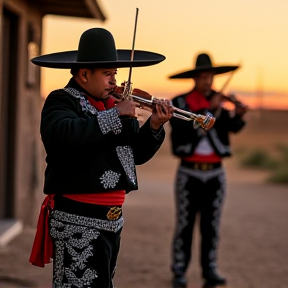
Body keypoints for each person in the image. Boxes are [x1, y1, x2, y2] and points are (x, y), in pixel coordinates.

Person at [29, 27, 173, 288]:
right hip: (76, 218)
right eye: (108, 74)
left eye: (115, 74)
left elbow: (135, 156)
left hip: (112, 219)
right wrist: (115, 115)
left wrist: (154, 125)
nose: (114, 82)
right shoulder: (62, 100)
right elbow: (60, 135)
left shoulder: (114, 106)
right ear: (84, 74)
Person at [168, 53, 248, 288]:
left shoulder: (221, 103)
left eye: (210, 77)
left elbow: (232, 128)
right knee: (184, 223)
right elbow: (180, 133)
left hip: (216, 173)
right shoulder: (180, 104)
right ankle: (179, 270)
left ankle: (209, 268)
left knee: (211, 225)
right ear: (194, 78)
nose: (208, 81)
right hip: (188, 173)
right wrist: (208, 111)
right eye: (203, 77)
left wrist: (239, 116)